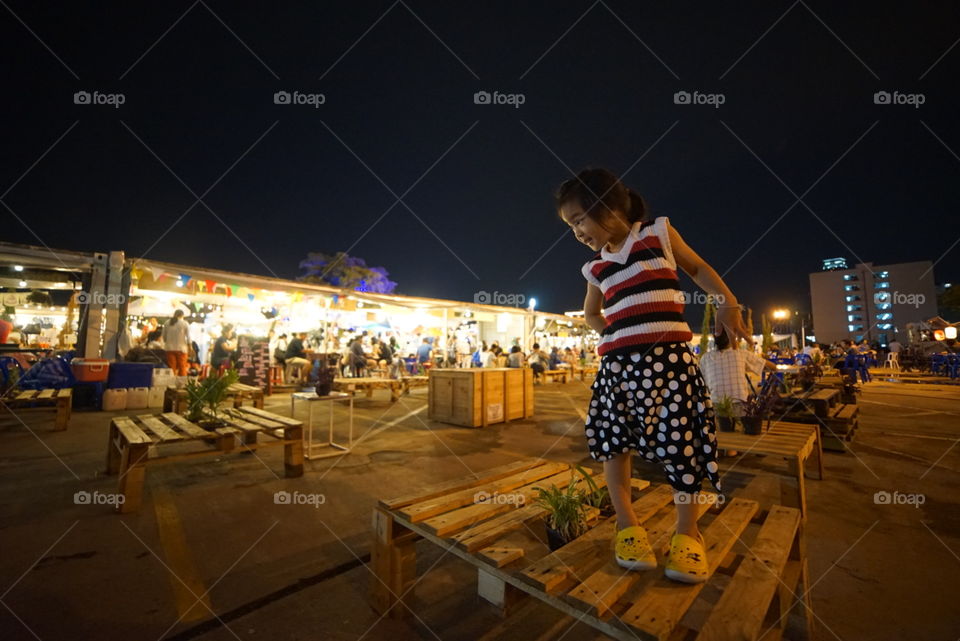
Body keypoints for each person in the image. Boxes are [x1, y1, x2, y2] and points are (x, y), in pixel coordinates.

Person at [558, 167, 753, 584]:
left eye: (578, 220)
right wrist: (615, 332)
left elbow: (698, 269)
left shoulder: (657, 234)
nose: (576, 232)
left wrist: (727, 303)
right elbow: (592, 313)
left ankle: (688, 533)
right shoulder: (596, 268)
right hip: (618, 366)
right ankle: (628, 527)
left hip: (670, 362)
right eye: (570, 226)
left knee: (683, 444)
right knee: (614, 444)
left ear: (606, 207)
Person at [699, 328, 777, 456]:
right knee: (743, 410)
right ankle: (734, 448)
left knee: (722, 415)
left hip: (716, 406)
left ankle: (728, 447)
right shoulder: (741, 353)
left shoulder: (705, 358)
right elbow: (772, 367)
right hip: (740, 406)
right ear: (732, 340)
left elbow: (702, 380)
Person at [161, 310, 191, 376]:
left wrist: (169, 341)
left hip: (169, 348)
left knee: (171, 368)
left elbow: (164, 337)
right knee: (182, 367)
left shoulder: (167, 323)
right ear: (182, 315)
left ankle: (172, 383)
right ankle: (182, 384)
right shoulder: (185, 323)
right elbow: (188, 337)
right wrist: (190, 347)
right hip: (181, 349)